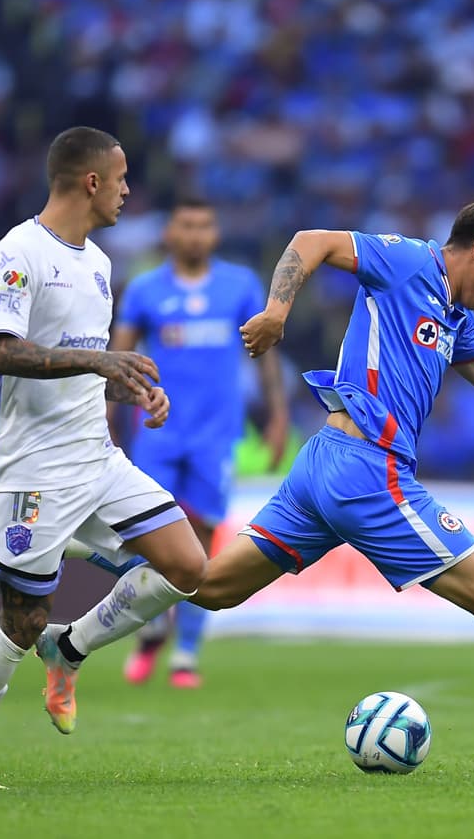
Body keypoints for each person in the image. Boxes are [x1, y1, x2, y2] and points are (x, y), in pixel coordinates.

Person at [90, 195, 474, 768]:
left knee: (211, 586)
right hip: (367, 469)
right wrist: (277, 313)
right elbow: (310, 242)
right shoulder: (409, 261)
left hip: (325, 465)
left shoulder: (455, 316)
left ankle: (93, 543)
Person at [0, 126, 208, 790]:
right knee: (21, 619)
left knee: (187, 564)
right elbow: (2, 350)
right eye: (122, 177)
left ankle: (71, 645)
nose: (128, 190)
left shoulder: (100, 264)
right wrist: (98, 358)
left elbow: (81, 367)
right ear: (91, 181)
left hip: (96, 458)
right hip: (30, 469)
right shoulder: (18, 253)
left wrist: (130, 389)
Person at [110, 198, 289, 688]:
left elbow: (264, 353)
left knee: (206, 542)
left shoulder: (239, 286)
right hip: (157, 432)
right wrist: (105, 416)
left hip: (216, 436)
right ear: (170, 232)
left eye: (204, 226)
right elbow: (117, 358)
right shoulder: (145, 289)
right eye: (185, 225)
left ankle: (185, 652)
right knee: (148, 536)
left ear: (215, 234)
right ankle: (149, 628)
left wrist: (277, 415)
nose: (194, 234)